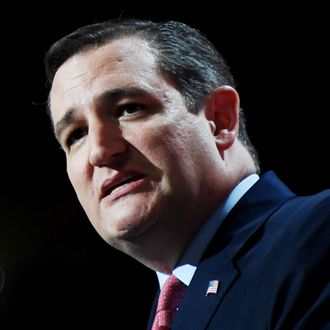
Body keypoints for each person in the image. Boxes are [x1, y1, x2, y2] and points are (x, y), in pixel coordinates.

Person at [44, 18, 330, 329]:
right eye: (76, 135)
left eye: (128, 109)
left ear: (219, 120)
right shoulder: (173, 308)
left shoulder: (318, 232)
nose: (99, 151)